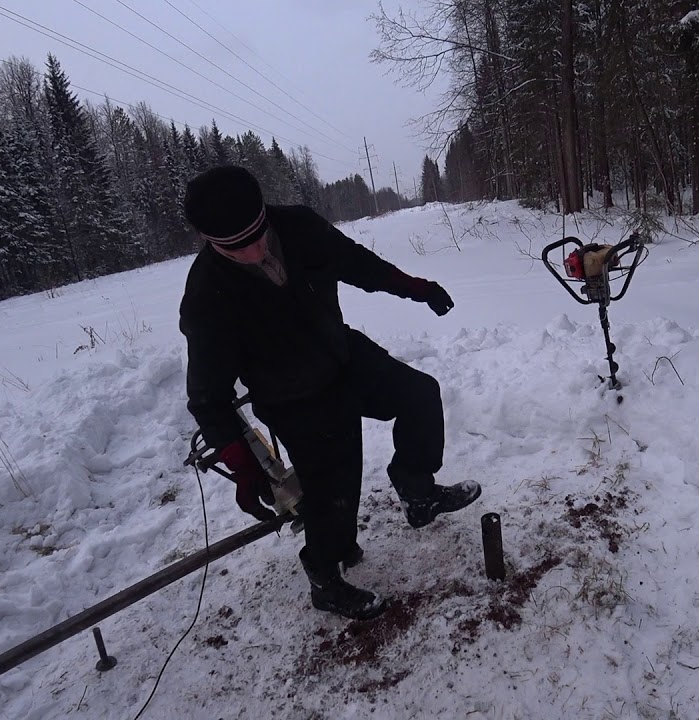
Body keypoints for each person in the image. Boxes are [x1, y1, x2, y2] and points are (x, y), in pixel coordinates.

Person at [179, 165, 482, 621]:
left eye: (259, 233)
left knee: (420, 395)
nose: (257, 249)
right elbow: (207, 397)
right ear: (211, 241)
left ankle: (418, 492)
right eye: (238, 247)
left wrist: (414, 288)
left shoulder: (298, 225)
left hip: (342, 356)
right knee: (334, 499)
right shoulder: (207, 297)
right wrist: (243, 467)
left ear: (265, 213)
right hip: (294, 400)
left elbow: (357, 263)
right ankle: (325, 578)